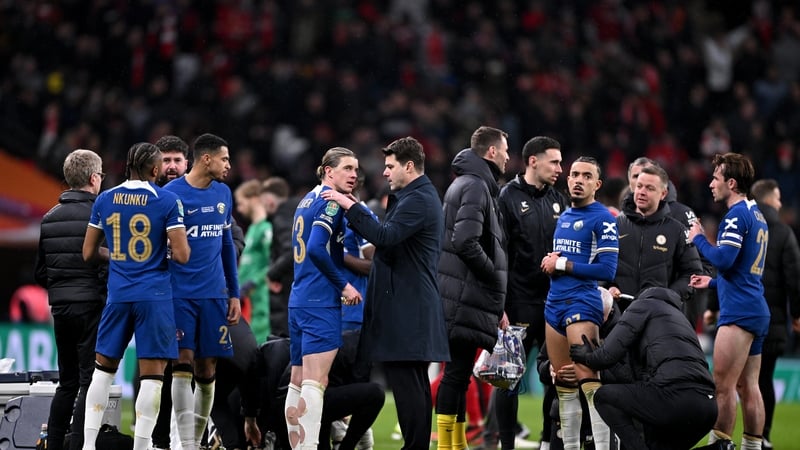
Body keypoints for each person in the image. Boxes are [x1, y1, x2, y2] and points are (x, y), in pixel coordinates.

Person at [321, 136, 450, 450]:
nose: (385, 173)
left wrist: (350, 204)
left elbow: (384, 237)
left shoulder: (418, 199)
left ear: (409, 166)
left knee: (409, 386)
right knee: (413, 385)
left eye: (391, 166)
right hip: (409, 307)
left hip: (407, 310)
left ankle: (414, 446)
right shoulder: (414, 196)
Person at [81, 142, 191, 450]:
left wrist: (117, 255)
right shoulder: (167, 200)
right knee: (152, 378)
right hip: (154, 296)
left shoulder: (105, 199)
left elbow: (88, 252)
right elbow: (182, 255)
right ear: (155, 170)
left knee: (103, 371)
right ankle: (142, 446)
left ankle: (88, 445)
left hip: (118, 295)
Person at [163, 133, 242, 450]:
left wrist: (233, 293)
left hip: (214, 295)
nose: (229, 165)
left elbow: (226, 247)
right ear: (206, 159)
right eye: (224, 158)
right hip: (179, 294)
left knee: (208, 367)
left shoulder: (223, 194)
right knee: (182, 363)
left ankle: (195, 439)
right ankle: (186, 443)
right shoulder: (171, 194)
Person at [688, 152, 770, 450]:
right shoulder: (756, 214)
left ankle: (719, 446)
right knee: (749, 387)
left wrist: (698, 237)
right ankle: (751, 447)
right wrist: (710, 282)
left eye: (716, 178)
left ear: (731, 183)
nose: (711, 184)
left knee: (722, 387)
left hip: (738, 313)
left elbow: (723, 258)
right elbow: (742, 269)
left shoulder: (736, 215)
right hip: (755, 308)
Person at [569, 287, 718, 450]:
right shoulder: (679, 318)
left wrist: (586, 356)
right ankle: (718, 447)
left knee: (604, 397)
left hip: (675, 396)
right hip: (707, 407)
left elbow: (606, 357)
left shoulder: (642, 306)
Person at [435, 125, 509, 450]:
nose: (508, 156)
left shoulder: (463, 183)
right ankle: (446, 446)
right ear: (491, 152)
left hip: (457, 294)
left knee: (459, 374)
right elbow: (464, 241)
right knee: (456, 374)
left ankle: (457, 444)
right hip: (464, 296)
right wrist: (492, 274)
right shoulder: (477, 186)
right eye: (505, 150)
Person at [284, 147, 362, 450]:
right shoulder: (330, 204)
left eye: (355, 169)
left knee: (298, 381)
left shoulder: (306, 200)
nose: (353, 174)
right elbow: (317, 248)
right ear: (329, 171)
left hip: (300, 298)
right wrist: (343, 285)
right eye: (346, 168)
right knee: (315, 384)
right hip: (320, 302)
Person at [540, 156, 619, 450]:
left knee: (588, 381)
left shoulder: (604, 218)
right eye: (574, 174)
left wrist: (562, 264)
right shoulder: (564, 216)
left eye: (586, 176)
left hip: (582, 302)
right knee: (563, 384)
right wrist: (554, 263)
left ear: (596, 184)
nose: (577, 180)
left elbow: (607, 270)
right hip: (554, 303)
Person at [496, 135, 569, 449]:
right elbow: (498, 254)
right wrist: (499, 304)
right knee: (508, 378)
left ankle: (546, 439)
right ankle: (507, 444)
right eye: (554, 161)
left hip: (553, 304)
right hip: (517, 304)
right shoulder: (507, 198)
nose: (560, 168)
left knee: (556, 376)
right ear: (532, 161)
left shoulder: (559, 200)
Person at [34, 149, 107, 450]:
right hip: (91, 305)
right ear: (93, 178)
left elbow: (41, 272)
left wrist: (61, 284)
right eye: (101, 175)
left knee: (67, 382)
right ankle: (77, 444)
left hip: (61, 308)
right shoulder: (100, 215)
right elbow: (106, 263)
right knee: (89, 381)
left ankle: (53, 445)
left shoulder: (49, 217)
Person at [626, 157, 712, 327]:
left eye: (649, 180)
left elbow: (702, 267)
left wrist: (672, 296)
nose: (641, 182)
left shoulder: (681, 215)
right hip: (627, 313)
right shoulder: (623, 218)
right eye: (636, 177)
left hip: (672, 314)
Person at [750, 179, 800, 450]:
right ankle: (762, 437)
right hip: (772, 320)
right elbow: (795, 277)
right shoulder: (783, 233)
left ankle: (733, 438)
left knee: (741, 382)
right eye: (778, 198)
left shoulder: (744, 227)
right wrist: (798, 313)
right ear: (769, 199)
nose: (781, 203)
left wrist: (714, 305)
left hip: (740, 318)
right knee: (764, 378)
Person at [611, 164, 702, 311]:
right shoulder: (615, 225)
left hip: (658, 314)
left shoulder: (677, 230)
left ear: (663, 193)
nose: (642, 192)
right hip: (618, 311)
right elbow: (599, 263)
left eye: (650, 188)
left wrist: (669, 296)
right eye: (639, 186)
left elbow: (693, 273)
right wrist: (608, 287)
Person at [234, 179, 273, 342]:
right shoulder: (252, 229)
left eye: (241, 202)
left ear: (254, 199)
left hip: (260, 299)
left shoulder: (266, 229)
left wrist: (253, 282)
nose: (239, 208)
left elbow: (272, 262)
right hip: (246, 299)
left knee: (260, 341)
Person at [262, 176, 295, 338]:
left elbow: (291, 251)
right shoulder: (297, 211)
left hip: (290, 286)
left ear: (269, 200)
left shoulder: (282, 217)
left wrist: (272, 273)